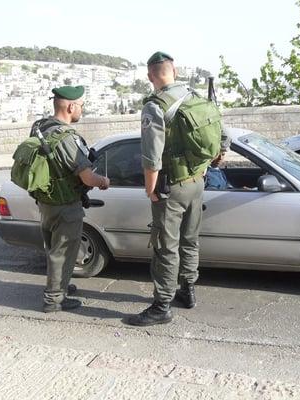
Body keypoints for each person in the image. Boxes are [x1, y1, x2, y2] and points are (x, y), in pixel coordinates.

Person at [127, 51, 209, 326]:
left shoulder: (156, 106)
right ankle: (188, 290)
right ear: (173, 71)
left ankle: (162, 305)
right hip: (197, 182)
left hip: (171, 187)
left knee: (165, 246)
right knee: (190, 239)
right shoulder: (198, 98)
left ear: (151, 75)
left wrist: (151, 189)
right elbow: (222, 138)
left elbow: (151, 156)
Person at [34, 85, 110, 313]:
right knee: (64, 252)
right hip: (65, 205)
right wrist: (103, 181)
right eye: (81, 105)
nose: (81, 110)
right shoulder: (66, 137)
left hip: (46, 202)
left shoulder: (41, 128)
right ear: (70, 106)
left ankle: (60, 286)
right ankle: (54, 299)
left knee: (55, 250)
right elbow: (87, 178)